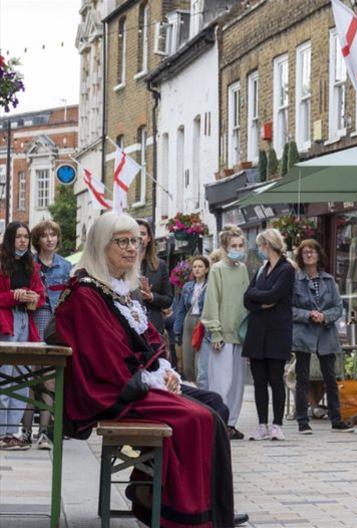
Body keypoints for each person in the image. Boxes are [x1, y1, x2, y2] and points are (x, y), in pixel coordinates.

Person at [49, 212, 248, 527]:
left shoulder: (115, 288)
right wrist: (152, 377)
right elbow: (106, 359)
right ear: (102, 245)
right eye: (122, 241)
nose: (132, 249)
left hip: (134, 379)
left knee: (214, 403)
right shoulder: (88, 293)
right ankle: (182, 511)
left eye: (135, 242)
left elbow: (147, 340)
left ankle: (169, 493)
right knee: (199, 417)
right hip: (112, 390)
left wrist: (164, 369)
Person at [291, 238, 354, 434]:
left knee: (330, 378)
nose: (309, 255)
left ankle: (336, 419)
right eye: (305, 252)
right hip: (304, 333)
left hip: (326, 333)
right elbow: (289, 308)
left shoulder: (328, 280)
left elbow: (338, 307)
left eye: (312, 251)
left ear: (319, 255)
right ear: (300, 257)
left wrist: (325, 316)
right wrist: (308, 315)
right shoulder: (295, 281)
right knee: (302, 378)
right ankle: (302, 420)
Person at [23, 220, 72, 449]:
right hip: (33, 320)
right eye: (45, 235)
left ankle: (44, 432)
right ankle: (24, 431)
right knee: (29, 377)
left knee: (49, 379)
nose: (50, 239)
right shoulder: (28, 263)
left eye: (53, 235)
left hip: (55, 324)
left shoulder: (65, 266)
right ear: (38, 240)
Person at [243, 229, 295, 441]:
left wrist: (259, 298)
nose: (260, 250)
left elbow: (276, 294)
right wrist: (261, 301)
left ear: (268, 244)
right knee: (259, 380)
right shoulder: (261, 269)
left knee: (275, 378)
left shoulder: (286, 269)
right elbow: (247, 297)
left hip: (277, 331)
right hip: (257, 331)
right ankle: (262, 423)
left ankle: (277, 425)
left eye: (261, 245)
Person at [0, 222, 45, 451]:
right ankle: (1, 432)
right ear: (10, 239)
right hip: (5, 324)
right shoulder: (1, 263)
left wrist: (32, 297)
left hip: (24, 322)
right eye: (18, 237)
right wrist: (13, 296)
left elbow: (41, 296)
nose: (23, 241)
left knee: (22, 378)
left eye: (26, 237)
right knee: (3, 376)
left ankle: (12, 432)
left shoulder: (31, 265)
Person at [201, 228, 250, 440]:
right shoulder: (217, 270)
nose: (238, 249)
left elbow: (247, 301)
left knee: (238, 383)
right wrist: (215, 331)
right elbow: (213, 301)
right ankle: (219, 422)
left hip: (240, 334)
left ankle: (231, 423)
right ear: (225, 247)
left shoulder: (243, 270)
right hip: (222, 335)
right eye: (234, 246)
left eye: (241, 245)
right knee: (221, 382)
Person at [135, 219, 173, 358]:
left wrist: (152, 297)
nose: (139, 237)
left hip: (153, 326)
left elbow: (168, 299)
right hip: (130, 328)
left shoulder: (160, 265)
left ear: (149, 238)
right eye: (136, 233)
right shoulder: (123, 264)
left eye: (143, 234)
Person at [172, 256, 210, 382]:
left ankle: (202, 385)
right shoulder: (187, 286)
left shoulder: (210, 286)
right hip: (188, 321)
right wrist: (177, 330)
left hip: (202, 322)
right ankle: (194, 383)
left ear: (206, 269)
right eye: (195, 267)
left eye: (200, 266)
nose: (197, 269)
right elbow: (181, 310)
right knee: (187, 360)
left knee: (200, 360)